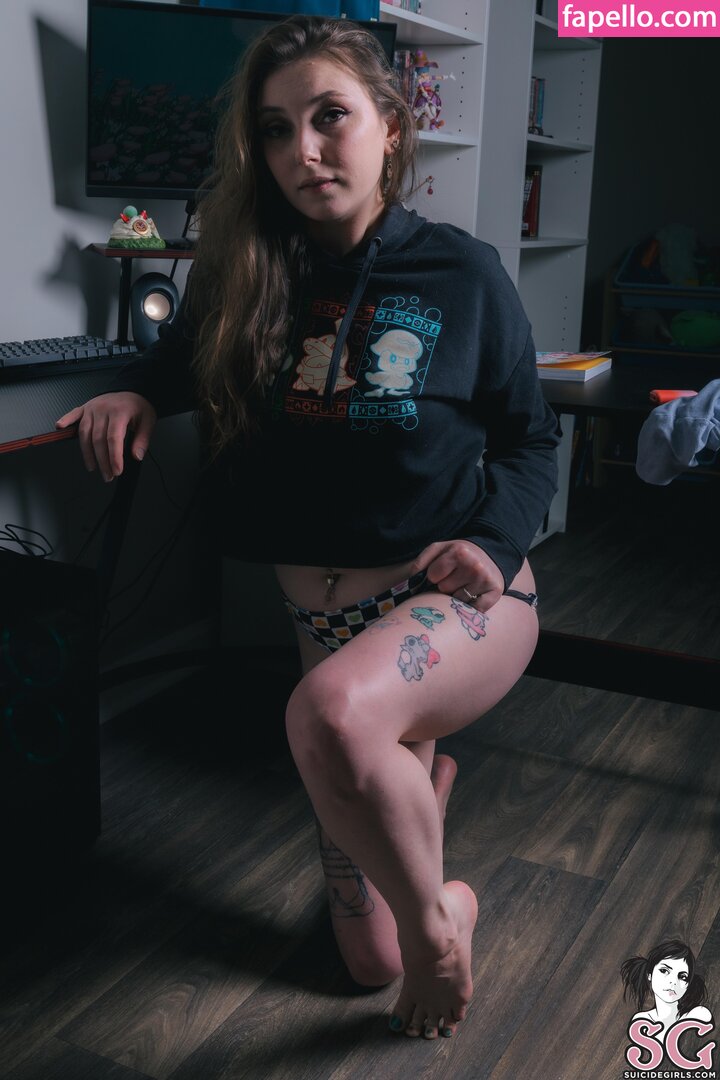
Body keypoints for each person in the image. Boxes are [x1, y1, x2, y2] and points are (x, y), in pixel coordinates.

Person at [56, 15, 561, 1041]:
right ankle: (423, 813)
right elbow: (178, 361)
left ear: (390, 125)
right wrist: (136, 394)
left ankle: (439, 926)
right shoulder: (245, 271)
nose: (305, 150)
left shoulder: (463, 275)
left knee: (329, 717)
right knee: (366, 966)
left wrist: (495, 541)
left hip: (454, 600)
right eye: (277, 129)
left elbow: (530, 439)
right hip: (323, 626)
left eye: (331, 117)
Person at [621, 940, 711, 1042]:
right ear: (649, 975)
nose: (673, 982)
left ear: (688, 985)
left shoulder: (699, 1015)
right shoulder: (641, 1020)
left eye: (682, 977)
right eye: (664, 971)